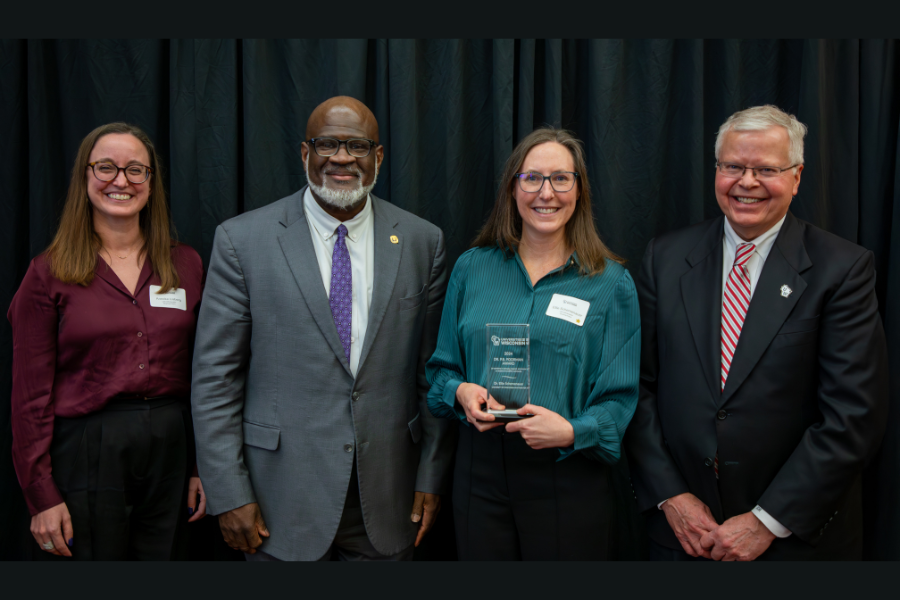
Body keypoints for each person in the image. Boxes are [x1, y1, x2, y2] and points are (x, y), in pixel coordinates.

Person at [190, 96, 455, 561]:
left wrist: (431, 476)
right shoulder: (241, 241)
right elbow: (215, 380)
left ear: (378, 156)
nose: (341, 157)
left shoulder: (421, 241)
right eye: (327, 144)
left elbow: (432, 374)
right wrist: (229, 492)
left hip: (388, 498)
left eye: (356, 145)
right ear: (304, 152)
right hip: (278, 501)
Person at [625, 105, 889, 561]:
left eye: (766, 169)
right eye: (732, 166)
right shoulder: (664, 258)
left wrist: (767, 520)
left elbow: (854, 414)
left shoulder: (842, 269)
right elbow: (636, 388)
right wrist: (671, 496)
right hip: (682, 535)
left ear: (797, 176)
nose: (746, 182)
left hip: (794, 543)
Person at [426, 128, 640, 560]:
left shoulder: (611, 283)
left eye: (561, 178)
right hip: (479, 470)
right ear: (513, 187)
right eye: (532, 178)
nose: (547, 193)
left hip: (567, 474)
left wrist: (571, 431)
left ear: (578, 190)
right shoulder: (472, 268)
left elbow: (619, 401)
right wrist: (460, 392)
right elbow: (441, 372)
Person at [7, 122, 207, 560]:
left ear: (151, 184)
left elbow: (208, 374)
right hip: (86, 450)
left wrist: (202, 466)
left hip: (173, 450)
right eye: (106, 167)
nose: (121, 180)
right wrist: (41, 494)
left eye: (136, 170)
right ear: (85, 178)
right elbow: (29, 397)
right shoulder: (49, 272)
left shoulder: (186, 264)